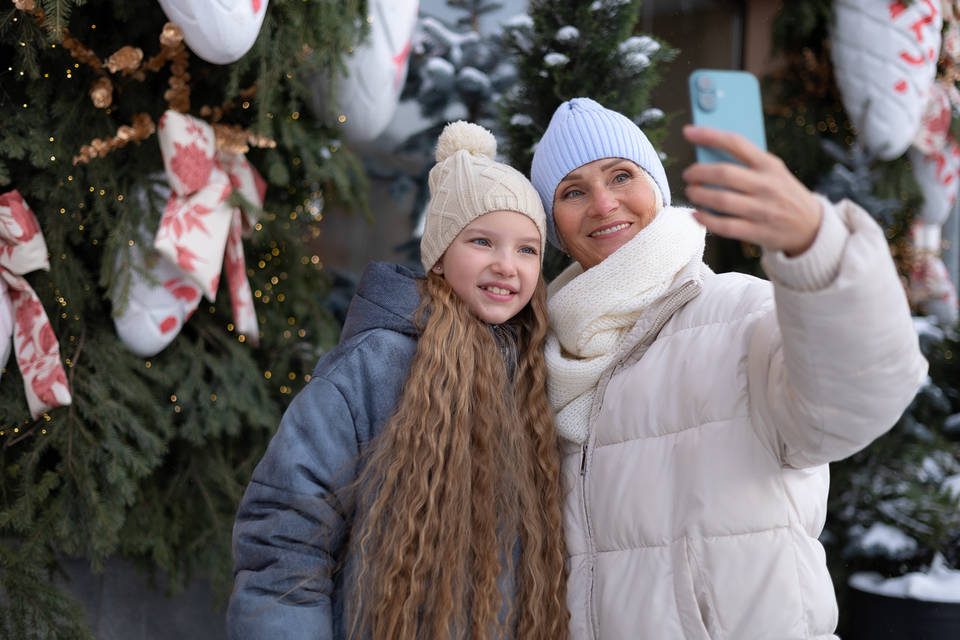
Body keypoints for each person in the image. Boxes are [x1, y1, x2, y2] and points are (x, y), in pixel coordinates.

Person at [528, 97, 928, 640]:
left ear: (657, 189)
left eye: (621, 175)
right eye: (573, 191)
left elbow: (859, 396)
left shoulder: (741, 313)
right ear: (555, 224)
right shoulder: (548, 355)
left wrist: (818, 250)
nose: (602, 203)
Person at [227, 121, 569, 640]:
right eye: (482, 241)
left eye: (527, 250)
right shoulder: (376, 363)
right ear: (439, 253)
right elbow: (286, 531)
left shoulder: (531, 373)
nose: (507, 266)